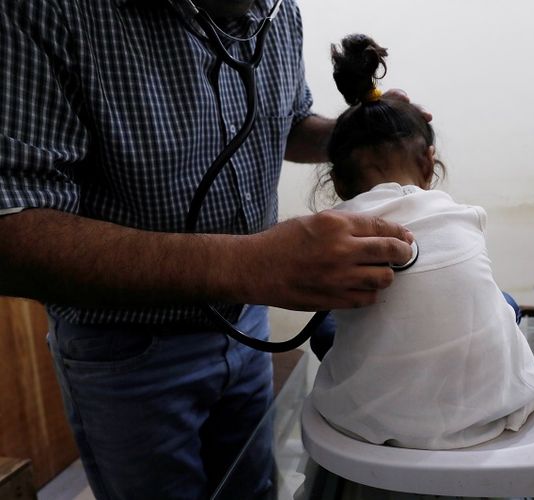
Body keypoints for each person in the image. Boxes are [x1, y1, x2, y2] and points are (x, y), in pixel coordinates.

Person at [0, 1, 419, 499]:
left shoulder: (276, 11)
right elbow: (11, 233)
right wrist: (251, 264)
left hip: (248, 325)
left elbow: (284, 121)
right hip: (129, 351)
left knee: (252, 489)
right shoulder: (44, 13)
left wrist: (355, 136)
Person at [310, 34, 534, 450]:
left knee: (327, 326)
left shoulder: (334, 229)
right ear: (429, 163)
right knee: (503, 304)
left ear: (336, 181)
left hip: (372, 424)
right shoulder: (465, 215)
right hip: (498, 411)